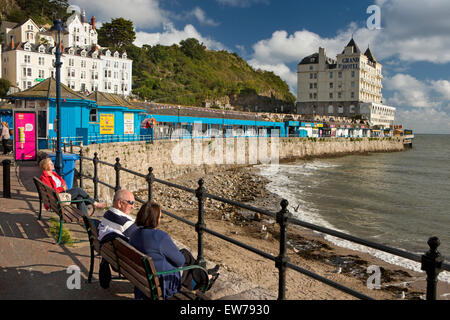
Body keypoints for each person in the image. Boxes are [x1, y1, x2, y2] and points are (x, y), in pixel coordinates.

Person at [129, 201, 220, 300]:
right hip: (163, 282)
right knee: (187, 265)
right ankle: (206, 278)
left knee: (185, 253)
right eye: (160, 217)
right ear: (154, 219)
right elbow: (180, 261)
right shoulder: (159, 236)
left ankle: (206, 274)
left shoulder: (134, 234)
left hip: (143, 276)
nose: (160, 220)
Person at [97, 189, 139, 288]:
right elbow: (142, 238)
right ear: (120, 203)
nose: (133, 206)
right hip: (129, 265)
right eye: (131, 203)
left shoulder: (107, 215)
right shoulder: (125, 223)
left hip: (114, 258)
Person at [39, 157, 106, 216]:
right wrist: (62, 188)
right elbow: (52, 191)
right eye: (50, 164)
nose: (53, 164)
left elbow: (62, 181)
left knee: (79, 198)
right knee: (78, 190)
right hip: (57, 199)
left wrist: (63, 186)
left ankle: (86, 219)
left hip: (61, 194)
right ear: (45, 166)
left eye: (52, 163)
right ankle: (95, 203)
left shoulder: (53, 173)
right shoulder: (45, 178)